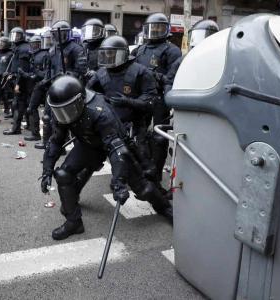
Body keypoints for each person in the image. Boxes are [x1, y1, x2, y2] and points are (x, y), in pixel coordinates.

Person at [40, 75, 172, 240]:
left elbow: (117, 151)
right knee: (63, 175)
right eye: (60, 111)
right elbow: (55, 141)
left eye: (67, 110)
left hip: (116, 144)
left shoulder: (100, 112)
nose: (64, 116)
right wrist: (47, 170)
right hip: (89, 144)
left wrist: (119, 182)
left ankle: (165, 207)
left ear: (80, 101)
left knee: (143, 189)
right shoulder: (62, 110)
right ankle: (73, 221)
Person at [86, 36, 172, 221]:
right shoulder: (101, 73)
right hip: (107, 126)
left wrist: (128, 102)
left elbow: (151, 101)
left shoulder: (140, 72)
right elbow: (87, 94)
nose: (108, 59)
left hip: (134, 126)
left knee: (145, 168)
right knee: (85, 162)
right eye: (105, 55)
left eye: (111, 55)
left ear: (123, 55)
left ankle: (162, 204)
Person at [132, 13, 182, 186]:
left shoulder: (172, 50)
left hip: (160, 98)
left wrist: (156, 76)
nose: (155, 32)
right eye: (152, 28)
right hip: (142, 97)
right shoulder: (141, 49)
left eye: (159, 28)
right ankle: (142, 167)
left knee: (159, 137)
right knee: (139, 133)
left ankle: (156, 174)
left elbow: (173, 77)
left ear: (166, 30)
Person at [35, 20, 85, 150]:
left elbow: (81, 71)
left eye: (60, 34)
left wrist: (69, 74)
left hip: (69, 89)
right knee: (47, 117)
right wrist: (45, 81)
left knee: (68, 121)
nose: (57, 37)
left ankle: (74, 147)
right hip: (54, 87)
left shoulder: (76, 49)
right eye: (55, 34)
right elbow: (50, 69)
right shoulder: (53, 50)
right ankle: (48, 143)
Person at [3, 27, 33, 135]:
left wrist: (18, 84)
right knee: (25, 103)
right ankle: (29, 125)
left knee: (18, 104)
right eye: (13, 35)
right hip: (21, 79)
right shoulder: (19, 47)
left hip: (23, 81)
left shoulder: (23, 48)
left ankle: (16, 128)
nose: (15, 38)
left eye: (17, 35)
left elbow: (22, 68)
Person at [22, 34, 50, 142]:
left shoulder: (45, 55)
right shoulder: (34, 55)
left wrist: (36, 73)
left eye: (34, 44)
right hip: (38, 85)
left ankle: (43, 136)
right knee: (32, 108)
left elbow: (46, 73)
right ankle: (35, 133)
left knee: (46, 112)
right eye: (32, 44)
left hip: (44, 85)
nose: (32, 46)